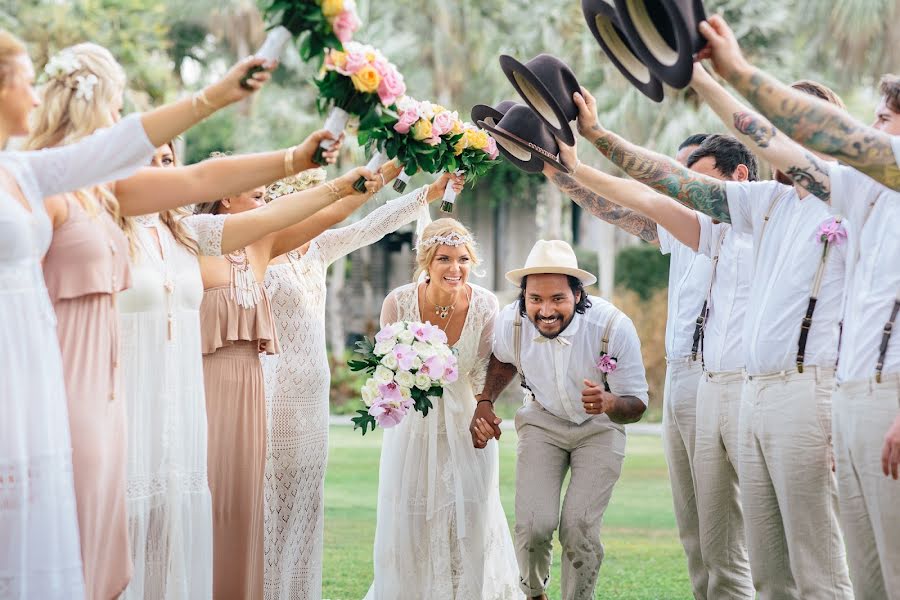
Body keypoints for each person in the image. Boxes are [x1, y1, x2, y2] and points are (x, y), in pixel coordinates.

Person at [0, 30, 269, 599]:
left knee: (91, 553)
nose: (33, 93)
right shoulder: (41, 178)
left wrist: (295, 158)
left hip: (105, 385)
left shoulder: (56, 180)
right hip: (51, 371)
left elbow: (196, 179)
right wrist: (214, 97)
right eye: (25, 80)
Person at [573, 80, 853, 598]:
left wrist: (706, 73)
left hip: (808, 387)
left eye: (785, 122)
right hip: (753, 390)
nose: (772, 134)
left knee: (820, 567)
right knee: (766, 569)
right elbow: (657, 191)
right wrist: (584, 150)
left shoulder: (848, 192)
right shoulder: (764, 202)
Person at [698, 17, 900, 596]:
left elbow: (804, 134)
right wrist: (701, 77)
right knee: (861, 579)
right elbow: (771, 139)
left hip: (857, 391)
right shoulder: (859, 191)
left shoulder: (857, 184)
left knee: (845, 571)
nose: (872, 129)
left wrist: (732, 69)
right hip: (843, 395)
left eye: (883, 120)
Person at [545, 132, 758, 598]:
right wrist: (556, 172)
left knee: (724, 533)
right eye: (675, 179)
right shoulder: (681, 226)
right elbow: (617, 209)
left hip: (724, 375)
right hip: (681, 376)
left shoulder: (745, 224)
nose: (678, 189)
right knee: (693, 530)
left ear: (738, 176)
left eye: (691, 180)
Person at [261, 169, 463, 599]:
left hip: (312, 391)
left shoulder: (317, 249)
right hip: (269, 389)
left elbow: (373, 224)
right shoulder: (257, 252)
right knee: (264, 500)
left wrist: (427, 192)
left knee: (305, 504)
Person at [471, 240, 647, 600]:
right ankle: (534, 594)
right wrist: (486, 400)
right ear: (524, 297)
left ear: (578, 294)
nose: (545, 310)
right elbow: (503, 359)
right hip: (541, 420)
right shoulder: (511, 322)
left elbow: (637, 404)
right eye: (535, 299)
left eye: (557, 299)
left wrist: (610, 401)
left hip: (600, 427)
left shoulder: (612, 326)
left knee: (579, 527)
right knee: (534, 525)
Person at [365, 218, 520, 600]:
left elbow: (488, 368)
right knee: (412, 517)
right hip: (413, 428)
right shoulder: (398, 302)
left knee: (470, 514)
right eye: (444, 259)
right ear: (426, 263)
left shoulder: (485, 304)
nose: (455, 268)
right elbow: (386, 367)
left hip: (466, 421)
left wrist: (486, 408)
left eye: (463, 259)